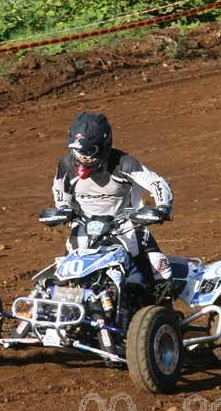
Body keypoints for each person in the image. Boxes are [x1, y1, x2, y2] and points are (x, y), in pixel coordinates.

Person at [52, 111, 174, 303]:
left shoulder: (123, 163)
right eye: (78, 150)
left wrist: (162, 207)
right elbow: (60, 190)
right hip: (85, 225)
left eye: (88, 151)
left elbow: (156, 183)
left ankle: (164, 318)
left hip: (126, 224)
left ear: (103, 145)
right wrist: (62, 209)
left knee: (160, 267)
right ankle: (65, 316)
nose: (82, 157)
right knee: (65, 276)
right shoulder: (67, 164)